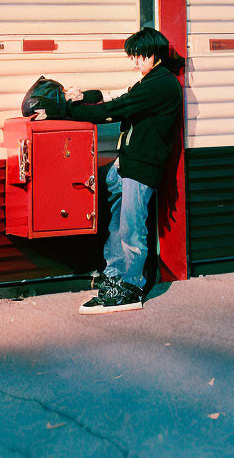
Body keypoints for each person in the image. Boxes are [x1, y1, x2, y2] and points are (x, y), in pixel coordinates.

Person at [35, 27, 183, 314]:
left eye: (138, 56)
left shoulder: (161, 85)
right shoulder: (149, 80)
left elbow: (116, 107)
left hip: (141, 167)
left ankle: (130, 287)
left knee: (131, 227)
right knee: (116, 224)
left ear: (153, 54)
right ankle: (114, 275)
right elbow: (115, 94)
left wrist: (65, 111)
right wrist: (80, 96)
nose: (134, 62)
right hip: (126, 163)